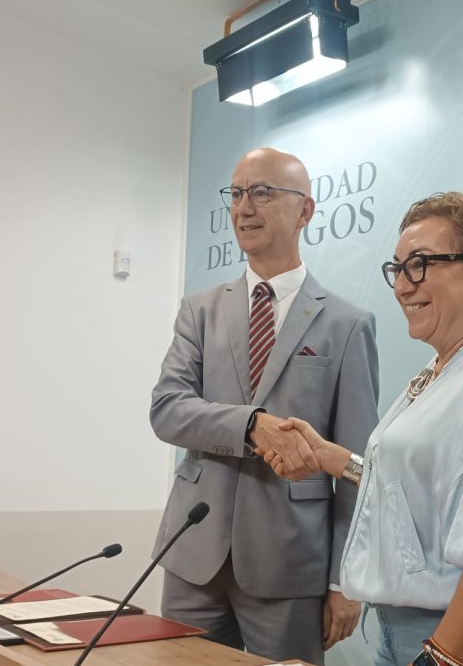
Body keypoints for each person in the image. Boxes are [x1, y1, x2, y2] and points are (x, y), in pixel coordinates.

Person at [266, 191, 463, 666]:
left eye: (421, 264)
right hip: (411, 631)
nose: (403, 285)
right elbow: (429, 492)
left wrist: (438, 657)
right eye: (398, 268)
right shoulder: (446, 367)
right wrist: (333, 459)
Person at [149, 148, 380, 665]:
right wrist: (252, 426)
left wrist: (344, 579)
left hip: (290, 562)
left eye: (262, 192)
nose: (244, 207)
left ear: (305, 211)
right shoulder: (199, 311)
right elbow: (167, 409)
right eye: (236, 193)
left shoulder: (348, 324)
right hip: (194, 553)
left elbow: (355, 463)